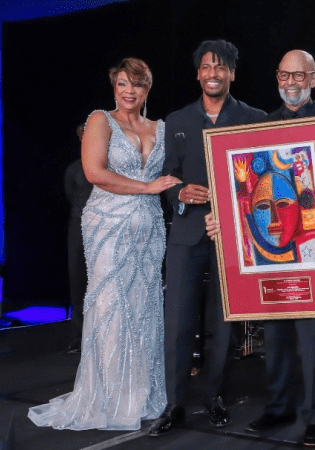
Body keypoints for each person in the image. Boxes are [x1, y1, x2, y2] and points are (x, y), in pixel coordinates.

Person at [212, 49, 315, 448]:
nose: (291, 83)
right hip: (271, 252)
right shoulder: (261, 124)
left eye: (299, 76)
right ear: (277, 78)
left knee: (313, 339)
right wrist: (225, 220)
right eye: (284, 75)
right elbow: (243, 188)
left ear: (314, 79)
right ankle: (278, 408)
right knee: (275, 335)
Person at [28, 57, 181, 430]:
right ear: (114, 86)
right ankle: (110, 397)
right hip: (108, 225)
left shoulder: (162, 127)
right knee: (112, 307)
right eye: (123, 84)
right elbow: (95, 173)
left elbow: (175, 175)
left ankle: (141, 393)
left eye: (138, 85)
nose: (129, 92)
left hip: (149, 228)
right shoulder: (100, 119)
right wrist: (146, 187)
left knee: (144, 307)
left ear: (148, 88)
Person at [149, 39, 267, 437]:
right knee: (178, 323)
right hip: (185, 234)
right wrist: (178, 194)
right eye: (206, 66)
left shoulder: (254, 118)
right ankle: (174, 403)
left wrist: (237, 209)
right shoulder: (177, 121)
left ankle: (215, 396)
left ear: (232, 73)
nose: (213, 73)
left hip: (235, 238)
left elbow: (264, 180)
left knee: (224, 325)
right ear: (197, 73)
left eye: (221, 67)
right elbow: (167, 178)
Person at [64, 124, 93, 354]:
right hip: (78, 227)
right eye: (82, 133)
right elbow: (71, 195)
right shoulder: (74, 169)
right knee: (77, 280)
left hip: (104, 226)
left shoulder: (108, 166)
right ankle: (78, 335)